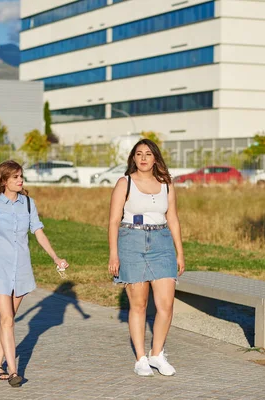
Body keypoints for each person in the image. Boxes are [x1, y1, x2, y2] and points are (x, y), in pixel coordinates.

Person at [0, 160, 68, 387]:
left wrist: (56, 257)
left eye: (21, 176)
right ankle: (14, 371)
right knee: (7, 320)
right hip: (0, 271)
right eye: (15, 177)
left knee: (8, 321)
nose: (20, 180)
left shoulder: (29, 204)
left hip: (22, 269)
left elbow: (38, 232)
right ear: (3, 180)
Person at [108, 139, 185, 377]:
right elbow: (113, 220)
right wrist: (114, 253)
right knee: (139, 304)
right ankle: (140, 358)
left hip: (161, 242)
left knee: (166, 305)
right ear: (133, 158)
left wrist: (179, 251)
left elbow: (172, 218)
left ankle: (157, 354)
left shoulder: (166, 184)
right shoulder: (125, 183)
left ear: (155, 158)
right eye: (139, 154)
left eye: (148, 154)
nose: (143, 158)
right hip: (131, 241)